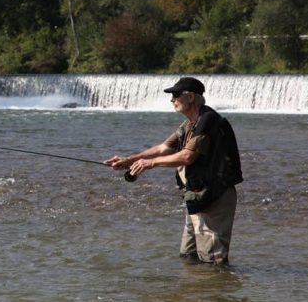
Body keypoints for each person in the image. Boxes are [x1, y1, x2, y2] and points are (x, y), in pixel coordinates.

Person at [104, 77, 243, 265]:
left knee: (212, 262)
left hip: (214, 198)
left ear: (191, 97)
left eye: (176, 95)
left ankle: (216, 292)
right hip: (197, 196)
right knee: (188, 257)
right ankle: (195, 293)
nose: (172, 100)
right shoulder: (189, 124)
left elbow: (187, 156)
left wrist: (149, 164)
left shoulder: (208, 121)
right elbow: (164, 147)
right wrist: (129, 160)